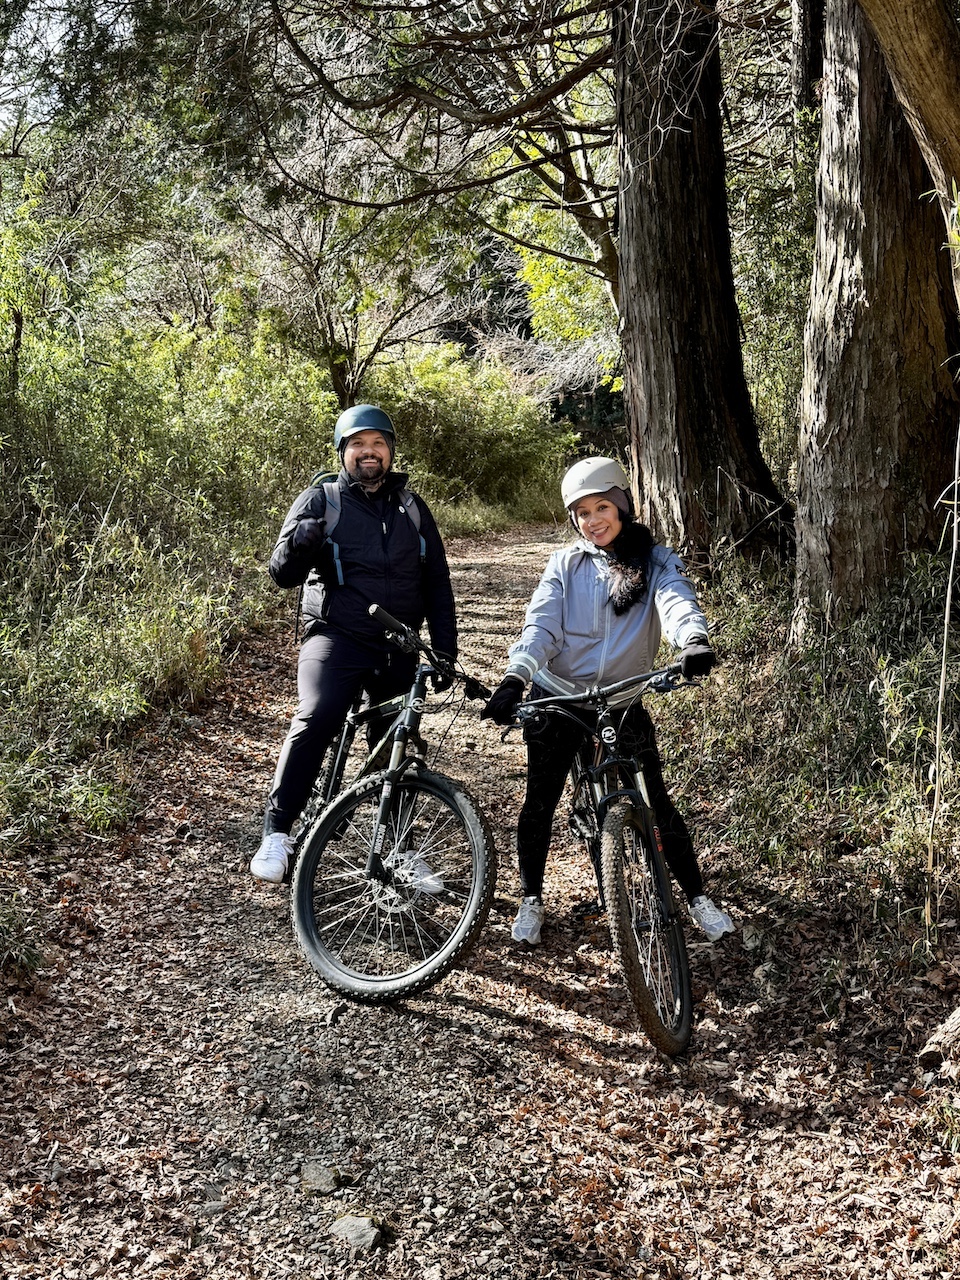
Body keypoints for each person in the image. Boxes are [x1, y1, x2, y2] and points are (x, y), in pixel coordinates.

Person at [481, 456, 734, 946]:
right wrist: (516, 677)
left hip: (621, 699)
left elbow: (676, 601)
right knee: (540, 800)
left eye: (601, 507)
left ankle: (697, 897)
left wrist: (693, 641)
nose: (592, 520)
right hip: (560, 696)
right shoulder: (565, 564)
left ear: (622, 504)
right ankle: (531, 898)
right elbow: (542, 626)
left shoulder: (656, 561)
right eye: (581, 512)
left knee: (656, 800)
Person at [251, 403, 458, 883]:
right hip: (336, 635)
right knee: (318, 715)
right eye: (358, 444)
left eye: (378, 443)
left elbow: (436, 581)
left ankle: (399, 847)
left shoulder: (412, 508)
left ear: (390, 452)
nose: (369, 452)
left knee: (398, 740)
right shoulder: (320, 500)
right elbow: (282, 574)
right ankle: (277, 832)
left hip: (398, 642)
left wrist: (444, 649)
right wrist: (300, 543)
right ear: (343, 451)